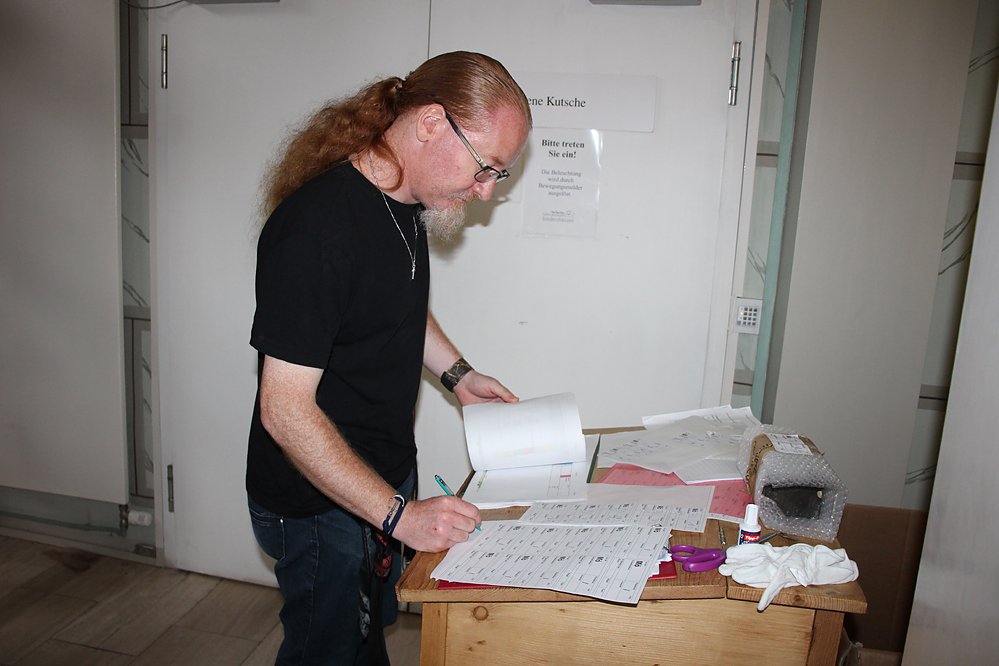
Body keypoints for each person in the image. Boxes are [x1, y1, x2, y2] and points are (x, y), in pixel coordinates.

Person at [245, 51, 532, 665]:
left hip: (382, 480)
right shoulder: (317, 229)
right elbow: (284, 409)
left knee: (365, 641)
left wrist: (459, 376)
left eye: (497, 175)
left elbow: (396, 305)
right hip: (319, 502)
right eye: (484, 168)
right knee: (327, 652)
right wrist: (401, 518)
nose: (484, 191)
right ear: (430, 123)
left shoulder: (406, 201)